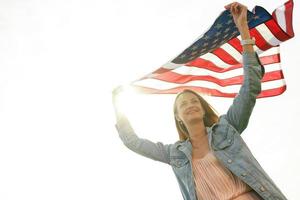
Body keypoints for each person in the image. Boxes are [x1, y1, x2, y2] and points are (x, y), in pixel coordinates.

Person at [112, 2, 287, 200]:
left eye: (194, 101)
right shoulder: (175, 154)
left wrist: (244, 31)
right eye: (183, 104)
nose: (190, 105)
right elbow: (133, 142)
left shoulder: (226, 128)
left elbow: (249, 88)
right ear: (178, 117)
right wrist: (118, 103)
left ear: (203, 109)